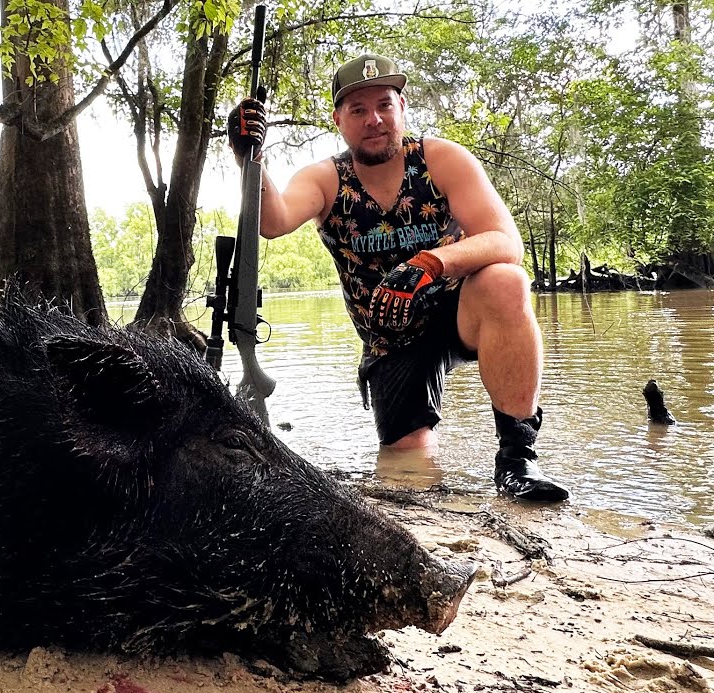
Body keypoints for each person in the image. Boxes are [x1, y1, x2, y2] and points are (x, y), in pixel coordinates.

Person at [227, 53, 568, 502]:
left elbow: (506, 241)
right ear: (339, 120)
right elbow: (274, 221)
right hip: (391, 340)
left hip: (457, 308)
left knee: (506, 281)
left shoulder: (443, 159)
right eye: (358, 110)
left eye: (385, 105)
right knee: (410, 468)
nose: (375, 120)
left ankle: (517, 459)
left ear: (402, 108)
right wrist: (248, 157)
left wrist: (429, 265)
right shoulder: (326, 178)